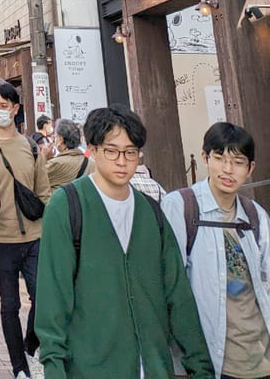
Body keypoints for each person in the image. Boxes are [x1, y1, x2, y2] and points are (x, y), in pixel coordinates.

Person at [35, 104, 214, 379]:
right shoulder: (68, 205)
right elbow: (53, 296)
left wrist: (200, 365)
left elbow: (177, 295)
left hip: (153, 366)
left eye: (131, 152)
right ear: (92, 150)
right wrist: (54, 366)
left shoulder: (152, 212)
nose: (122, 161)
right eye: (112, 150)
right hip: (91, 367)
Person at [162, 121, 270, 379]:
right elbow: (167, 287)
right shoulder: (181, 207)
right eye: (219, 158)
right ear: (205, 157)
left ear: (250, 168)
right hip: (210, 361)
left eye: (238, 161)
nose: (228, 169)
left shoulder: (255, 215)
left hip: (260, 359)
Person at [0, 83, 51, 379]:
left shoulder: (31, 147)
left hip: (34, 236)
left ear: (15, 109)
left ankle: (30, 348)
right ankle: (19, 367)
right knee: (9, 305)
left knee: (42, 297)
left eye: (3, 105)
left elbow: (43, 191)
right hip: (1, 239)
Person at [46, 119, 93, 192]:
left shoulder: (54, 164)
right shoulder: (91, 163)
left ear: (60, 139)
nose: (54, 140)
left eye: (55, 137)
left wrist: (44, 157)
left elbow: (37, 181)